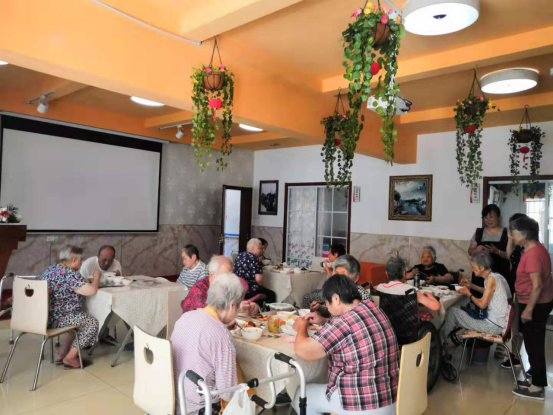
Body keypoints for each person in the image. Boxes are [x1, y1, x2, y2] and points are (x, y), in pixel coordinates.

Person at [292, 275, 399, 414]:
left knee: (301, 394)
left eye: (327, 303)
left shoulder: (343, 322)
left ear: (336, 298)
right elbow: (354, 330)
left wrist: (301, 326)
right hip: (391, 399)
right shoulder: (374, 309)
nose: (327, 307)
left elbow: (304, 351)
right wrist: (324, 321)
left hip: (360, 403)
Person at [172, 274, 243, 414]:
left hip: (173, 401)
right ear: (232, 305)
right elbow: (227, 392)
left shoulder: (185, 317)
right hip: (199, 409)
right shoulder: (222, 336)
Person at [509, 216, 553, 401]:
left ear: (524, 234)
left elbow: (537, 285)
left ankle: (537, 387)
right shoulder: (533, 248)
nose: (510, 235)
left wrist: (528, 309)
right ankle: (536, 377)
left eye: (512, 232)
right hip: (538, 301)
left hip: (535, 303)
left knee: (534, 344)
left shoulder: (534, 254)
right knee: (533, 341)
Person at [40, 245, 100, 368]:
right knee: (91, 322)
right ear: (74, 260)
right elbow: (91, 290)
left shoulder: (50, 269)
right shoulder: (70, 274)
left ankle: (62, 354)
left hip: (45, 317)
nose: (81, 262)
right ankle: (70, 358)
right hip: (60, 319)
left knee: (79, 317)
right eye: (81, 260)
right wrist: (97, 277)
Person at [442, 251, 511, 346]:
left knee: (452, 311)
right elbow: (489, 293)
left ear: (481, 268)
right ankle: (447, 340)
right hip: (497, 323)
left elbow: (482, 305)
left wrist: (468, 293)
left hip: (492, 326)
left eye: (473, 266)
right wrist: (472, 286)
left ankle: (441, 343)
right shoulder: (495, 276)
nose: (472, 269)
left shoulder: (491, 279)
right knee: (457, 309)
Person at [182, 255, 259, 316]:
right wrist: (236, 309)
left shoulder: (228, 285)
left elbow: (235, 303)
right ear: (212, 275)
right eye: (225, 275)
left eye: (231, 275)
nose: (229, 279)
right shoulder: (199, 288)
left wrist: (250, 306)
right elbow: (207, 316)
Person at [302, 255, 371, 314]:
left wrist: (324, 320)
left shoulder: (363, 298)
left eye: (342, 276)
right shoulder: (339, 290)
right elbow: (331, 311)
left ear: (355, 278)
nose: (337, 279)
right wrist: (320, 308)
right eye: (336, 274)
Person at [467, 204, 510, 296]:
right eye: (485, 217)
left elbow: (509, 255)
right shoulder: (479, 233)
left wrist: (497, 251)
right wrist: (476, 250)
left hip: (500, 273)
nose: (488, 220)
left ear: (499, 217)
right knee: (479, 298)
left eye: (491, 217)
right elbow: (470, 251)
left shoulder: (507, 233)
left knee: (498, 298)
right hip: (480, 275)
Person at [233, 238, 276, 304]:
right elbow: (259, 279)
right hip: (250, 290)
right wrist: (263, 286)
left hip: (238, 289)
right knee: (271, 294)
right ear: (253, 248)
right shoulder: (254, 258)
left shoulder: (239, 256)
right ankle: (266, 310)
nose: (261, 251)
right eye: (259, 248)